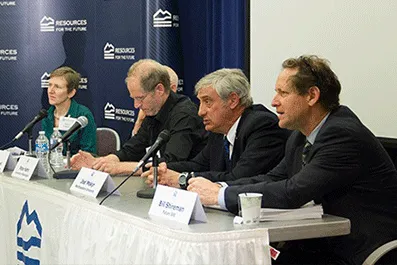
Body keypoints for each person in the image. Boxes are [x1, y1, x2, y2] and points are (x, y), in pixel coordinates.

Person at [187, 55, 397, 264]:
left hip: (359, 250)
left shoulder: (343, 135)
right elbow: (273, 178)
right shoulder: (300, 135)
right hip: (317, 244)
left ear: (312, 96)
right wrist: (218, 186)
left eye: (283, 93)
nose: (273, 101)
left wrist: (220, 195)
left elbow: (293, 192)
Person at [142, 68, 290, 188]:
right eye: (200, 103)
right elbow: (198, 164)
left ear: (233, 100)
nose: (200, 112)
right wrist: (163, 169)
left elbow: (238, 177)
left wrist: (182, 178)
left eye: (208, 102)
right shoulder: (219, 129)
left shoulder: (261, 126)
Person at [70, 59, 207, 175]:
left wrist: (118, 168)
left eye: (140, 98)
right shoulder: (153, 110)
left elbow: (169, 164)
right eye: (134, 98)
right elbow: (134, 147)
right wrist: (104, 161)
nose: (136, 105)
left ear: (159, 89)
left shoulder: (185, 114)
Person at [41, 66, 96, 155]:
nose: (50, 91)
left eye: (57, 87)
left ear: (71, 93)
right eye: (49, 85)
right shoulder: (47, 115)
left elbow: (88, 153)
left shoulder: (83, 115)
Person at [132, 65, 179, 136]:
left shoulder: (180, 117)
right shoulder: (149, 113)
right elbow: (136, 143)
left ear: (172, 89)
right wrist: (139, 121)